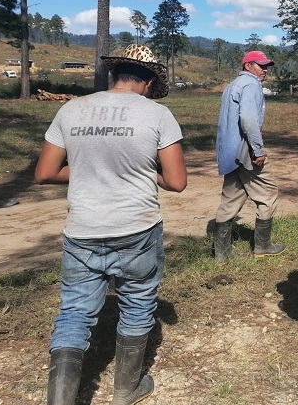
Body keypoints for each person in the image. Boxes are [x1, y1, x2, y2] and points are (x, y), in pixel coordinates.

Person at [35, 44, 187, 405]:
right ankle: (126, 389)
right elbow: (177, 181)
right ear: (149, 82)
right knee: (136, 304)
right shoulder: (158, 115)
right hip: (137, 228)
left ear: (115, 74)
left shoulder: (71, 109)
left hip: (83, 228)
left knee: (74, 312)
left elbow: (45, 173)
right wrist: (142, 171)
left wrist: (88, 169)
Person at [214, 50, 285, 260]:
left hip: (230, 151)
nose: (265, 70)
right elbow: (248, 119)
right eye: (261, 65)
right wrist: (258, 149)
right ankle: (262, 246)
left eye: (266, 67)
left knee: (231, 198)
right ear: (248, 66)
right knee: (268, 193)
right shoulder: (251, 84)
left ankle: (222, 253)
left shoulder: (232, 86)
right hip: (246, 150)